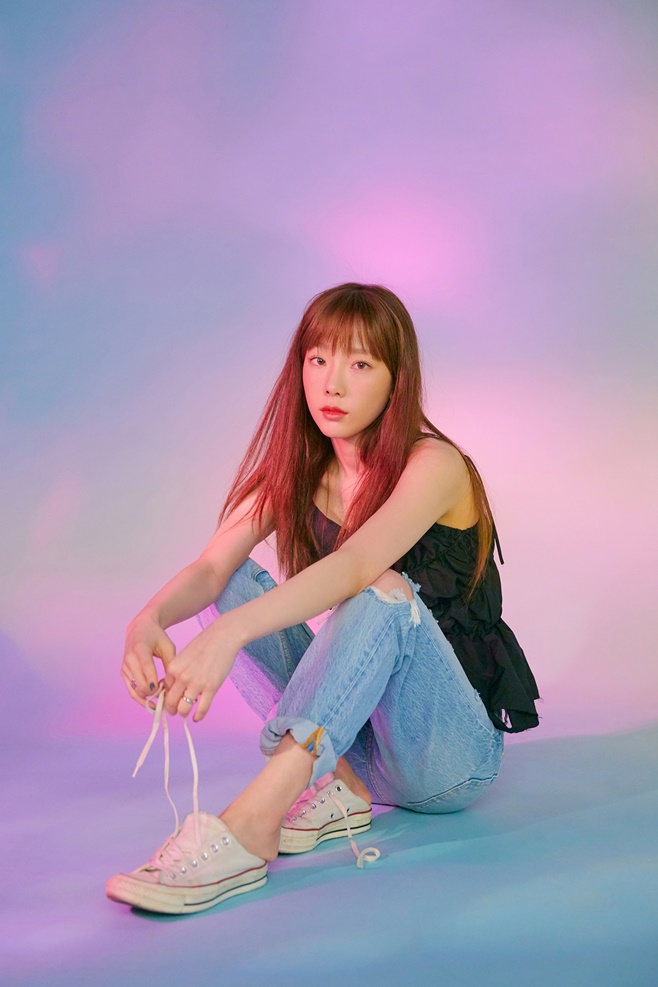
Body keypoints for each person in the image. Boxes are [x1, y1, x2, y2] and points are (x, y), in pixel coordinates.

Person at [106, 282, 540, 915]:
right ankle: (344, 786)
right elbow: (211, 567)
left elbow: (357, 565)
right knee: (232, 582)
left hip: (446, 755)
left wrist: (228, 635)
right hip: (351, 746)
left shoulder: (436, 464)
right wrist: (147, 621)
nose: (332, 384)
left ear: (395, 382)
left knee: (382, 589)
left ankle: (252, 824)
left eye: (360, 364)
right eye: (318, 359)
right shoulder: (301, 472)